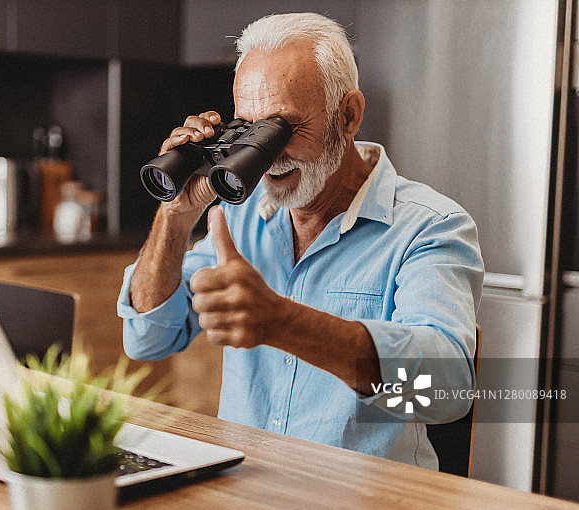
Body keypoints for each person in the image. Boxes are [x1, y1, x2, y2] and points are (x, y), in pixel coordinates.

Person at [116, 12, 483, 469]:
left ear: (348, 116)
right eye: (250, 129)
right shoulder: (240, 215)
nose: (265, 157)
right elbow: (147, 339)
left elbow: (446, 393)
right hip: (247, 487)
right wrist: (175, 214)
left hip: (363, 499)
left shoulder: (429, 227)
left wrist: (283, 322)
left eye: (282, 128)